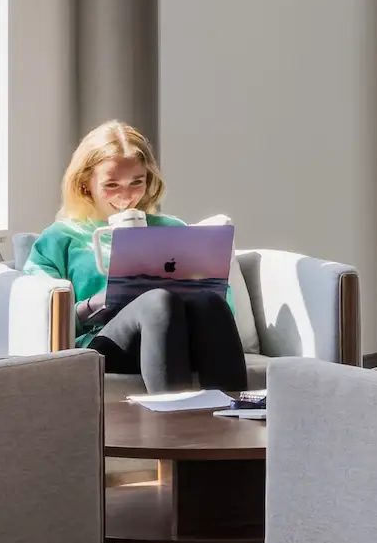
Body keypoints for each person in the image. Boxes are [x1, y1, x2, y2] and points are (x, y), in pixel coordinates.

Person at [29, 121, 247, 394]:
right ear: (86, 184)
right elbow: (38, 316)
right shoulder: (60, 238)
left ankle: (237, 416)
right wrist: (94, 304)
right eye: (111, 185)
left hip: (179, 338)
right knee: (157, 300)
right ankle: (174, 426)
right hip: (106, 343)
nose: (126, 196)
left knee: (206, 300)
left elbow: (223, 305)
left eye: (136, 183)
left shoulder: (172, 228)